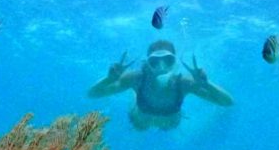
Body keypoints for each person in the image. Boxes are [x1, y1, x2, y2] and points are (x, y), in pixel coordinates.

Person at [88, 39, 234, 130]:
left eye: (167, 60)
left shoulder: (184, 83)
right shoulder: (136, 78)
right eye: (155, 61)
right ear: (147, 63)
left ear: (175, 63)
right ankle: (134, 95)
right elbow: (93, 94)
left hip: (169, 122)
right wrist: (109, 79)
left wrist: (207, 84)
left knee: (166, 128)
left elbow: (227, 102)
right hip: (141, 119)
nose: (161, 66)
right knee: (139, 127)